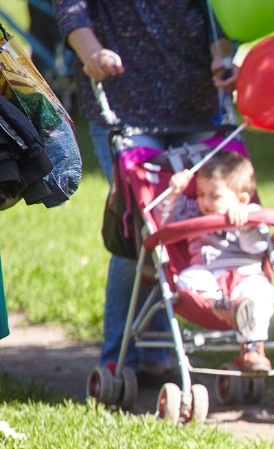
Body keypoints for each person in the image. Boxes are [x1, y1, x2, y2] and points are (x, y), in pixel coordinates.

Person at [53, 0, 237, 385]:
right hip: (124, 106)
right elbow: (71, 8)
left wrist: (223, 59)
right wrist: (92, 53)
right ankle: (118, 359)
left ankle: (157, 354)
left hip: (196, 103)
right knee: (140, 229)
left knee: (195, 223)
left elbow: (216, 14)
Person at [158, 150, 274, 373]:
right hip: (209, 275)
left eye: (215, 196)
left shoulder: (251, 212)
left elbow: (258, 248)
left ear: (241, 198)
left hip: (246, 275)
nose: (205, 201)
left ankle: (252, 348)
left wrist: (246, 224)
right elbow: (163, 226)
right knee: (187, 278)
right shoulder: (193, 211)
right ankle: (225, 308)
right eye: (201, 193)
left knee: (263, 293)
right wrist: (173, 195)